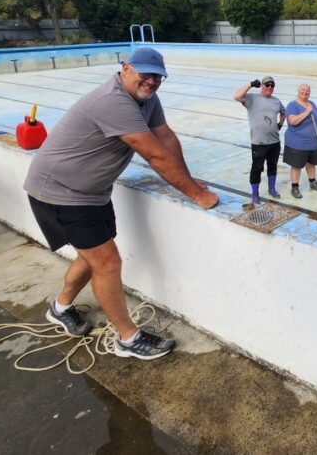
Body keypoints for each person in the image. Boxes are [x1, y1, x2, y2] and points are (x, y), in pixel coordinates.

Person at [24, 46, 219, 361]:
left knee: (92, 258)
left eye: (158, 77)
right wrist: (197, 195)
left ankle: (59, 309)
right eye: (145, 73)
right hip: (60, 191)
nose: (152, 81)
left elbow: (166, 138)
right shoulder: (113, 101)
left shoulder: (147, 99)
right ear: (125, 68)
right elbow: (153, 153)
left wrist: (193, 181)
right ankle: (128, 339)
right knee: (108, 263)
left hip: (91, 192)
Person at [233, 75, 286, 205]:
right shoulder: (252, 98)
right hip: (259, 143)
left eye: (272, 85)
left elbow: (283, 112)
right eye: (267, 85)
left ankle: (272, 189)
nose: (269, 87)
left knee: (272, 166)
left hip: (274, 142)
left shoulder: (276, 101)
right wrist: (250, 84)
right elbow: (237, 96)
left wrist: (280, 124)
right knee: (257, 168)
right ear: (262, 86)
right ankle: (255, 193)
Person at [283, 83, 317, 199]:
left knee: (312, 164)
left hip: (314, 143)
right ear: (298, 91)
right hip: (298, 144)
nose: (305, 92)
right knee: (296, 166)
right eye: (303, 90)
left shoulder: (312, 104)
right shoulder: (292, 105)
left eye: (307, 91)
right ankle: (295, 187)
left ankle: (312, 182)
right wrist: (306, 112)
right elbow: (292, 121)